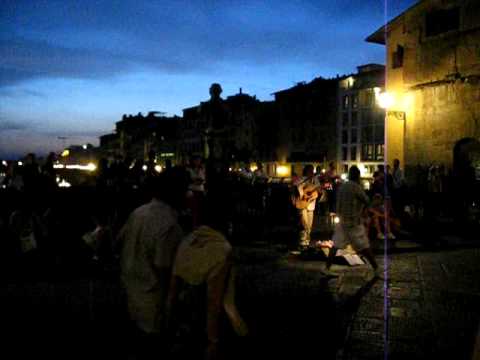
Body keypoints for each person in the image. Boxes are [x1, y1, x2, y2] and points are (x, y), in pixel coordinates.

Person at [118, 168, 189, 356]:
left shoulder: (138, 213)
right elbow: (164, 271)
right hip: (153, 306)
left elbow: (119, 242)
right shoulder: (170, 224)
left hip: (131, 298)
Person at [166, 220, 248, 359]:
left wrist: (169, 325)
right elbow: (213, 301)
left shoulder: (186, 243)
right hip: (200, 314)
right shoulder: (221, 248)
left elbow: (172, 292)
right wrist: (213, 340)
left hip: (185, 311)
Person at [326, 166, 380, 277]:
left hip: (342, 221)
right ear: (357, 176)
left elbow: (338, 203)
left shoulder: (342, 187)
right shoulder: (356, 187)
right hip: (353, 222)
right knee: (364, 246)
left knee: (335, 245)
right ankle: (376, 268)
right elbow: (366, 200)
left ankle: (326, 267)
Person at [294, 164, 321, 248]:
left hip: (311, 205)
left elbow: (318, 189)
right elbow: (297, 185)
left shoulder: (315, 180)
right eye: (310, 170)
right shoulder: (302, 179)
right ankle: (303, 242)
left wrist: (316, 192)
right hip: (302, 204)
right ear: (306, 171)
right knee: (304, 224)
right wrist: (303, 194)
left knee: (309, 225)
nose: (311, 172)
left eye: (312, 171)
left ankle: (307, 242)